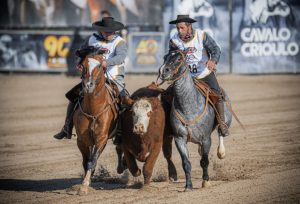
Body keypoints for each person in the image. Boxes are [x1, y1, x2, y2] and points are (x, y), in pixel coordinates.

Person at [54, 17, 131, 140]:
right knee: (73, 97)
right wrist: (79, 62)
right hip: (92, 77)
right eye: (107, 32)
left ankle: (121, 131)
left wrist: (107, 62)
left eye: (111, 32)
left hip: (114, 77)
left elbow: (121, 57)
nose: (109, 34)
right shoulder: (91, 39)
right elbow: (81, 52)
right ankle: (67, 127)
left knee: (123, 100)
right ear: (101, 30)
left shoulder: (119, 42)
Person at [168, 14, 229, 136]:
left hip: (203, 74)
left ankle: (222, 123)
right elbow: (172, 58)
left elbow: (215, 49)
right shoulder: (174, 40)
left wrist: (213, 61)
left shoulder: (201, 36)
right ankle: (169, 128)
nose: (179, 31)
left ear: (189, 26)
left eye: (182, 28)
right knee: (167, 96)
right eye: (177, 28)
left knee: (217, 94)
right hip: (184, 78)